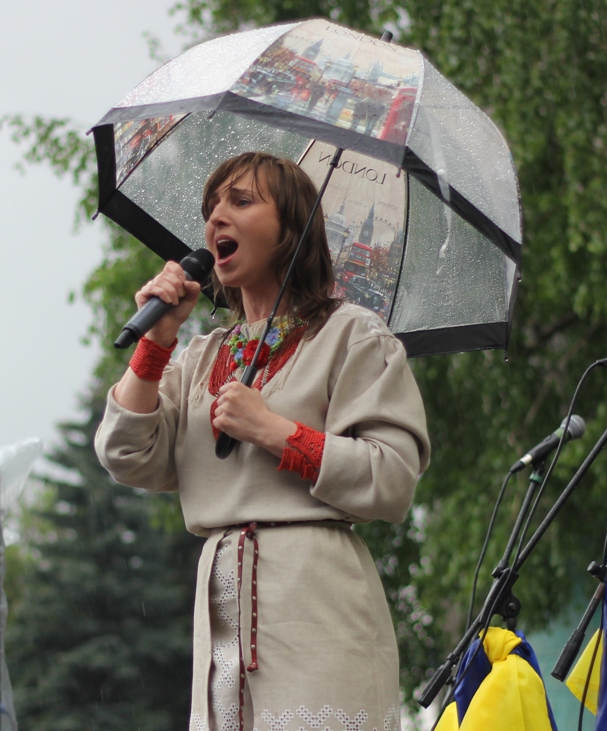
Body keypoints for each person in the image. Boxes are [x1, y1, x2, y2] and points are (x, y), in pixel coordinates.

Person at [95, 151, 430, 731]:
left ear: (290, 231)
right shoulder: (201, 356)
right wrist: (157, 342)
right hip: (221, 599)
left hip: (318, 602)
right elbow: (126, 454)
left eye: (242, 201)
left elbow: (393, 478)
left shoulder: (352, 335)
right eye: (211, 206)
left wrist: (276, 432)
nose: (216, 218)